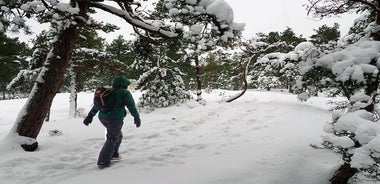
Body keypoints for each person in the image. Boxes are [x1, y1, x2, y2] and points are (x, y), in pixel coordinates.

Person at [83, 75, 141, 168]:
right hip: (115, 118)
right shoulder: (124, 93)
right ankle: (103, 161)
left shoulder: (108, 92)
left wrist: (90, 116)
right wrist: (136, 117)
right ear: (124, 84)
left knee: (117, 135)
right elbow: (131, 106)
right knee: (112, 138)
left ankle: (114, 154)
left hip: (102, 118)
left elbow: (96, 106)